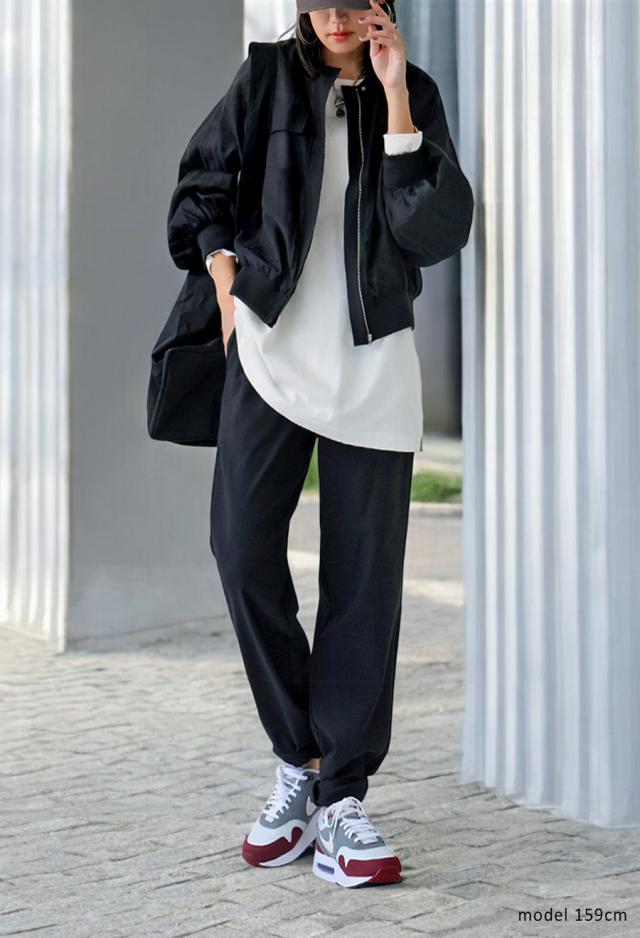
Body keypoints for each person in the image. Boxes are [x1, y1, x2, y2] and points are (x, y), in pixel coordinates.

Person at [167, 0, 474, 889]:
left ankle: (340, 798)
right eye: (321, 2)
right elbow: (200, 189)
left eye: (353, 1)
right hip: (269, 348)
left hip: (373, 362)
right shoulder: (266, 77)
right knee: (240, 550)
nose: (337, 17)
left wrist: (397, 102)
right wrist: (226, 285)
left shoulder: (413, 90)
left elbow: (434, 232)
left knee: (363, 584)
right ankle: (299, 756)